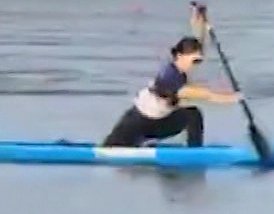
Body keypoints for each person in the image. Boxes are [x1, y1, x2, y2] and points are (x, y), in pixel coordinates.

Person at [101, 22, 240, 148]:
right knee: (109, 149)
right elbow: (205, 95)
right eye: (195, 61)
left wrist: (200, 23)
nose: (196, 65)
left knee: (193, 114)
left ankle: (194, 151)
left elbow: (198, 44)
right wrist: (232, 98)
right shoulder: (170, 76)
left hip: (159, 122)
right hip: (136, 122)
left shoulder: (180, 68)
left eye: (199, 61)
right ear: (179, 56)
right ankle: (140, 143)